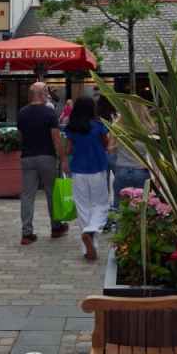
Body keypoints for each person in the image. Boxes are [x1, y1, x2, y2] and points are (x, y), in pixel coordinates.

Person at [17, 82, 69, 246]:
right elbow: (56, 139)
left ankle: (27, 233)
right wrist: (63, 158)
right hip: (47, 156)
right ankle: (56, 227)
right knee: (51, 193)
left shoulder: (22, 113)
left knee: (27, 195)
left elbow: (20, 136)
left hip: (27, 157)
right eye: (46, 91)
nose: (48, 94)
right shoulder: (49, 113)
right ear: (41, 94)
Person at [65, 97, 111, 261]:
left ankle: (88, 247)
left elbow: (69, 149)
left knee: (82, 207)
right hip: (97, 168)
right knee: (101, 204)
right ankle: (91, 230)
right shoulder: (98, 126)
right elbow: (106, 145)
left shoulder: (72, 127)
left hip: (78, 170)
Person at [112, 100, 152, 209]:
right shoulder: (147, 129)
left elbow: (111, 150)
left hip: (122, 170)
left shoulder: (117, 127)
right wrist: (156, 175)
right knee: (142, 207)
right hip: (141, 171)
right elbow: (153, 156)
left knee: (119, 206)